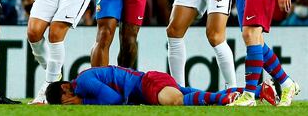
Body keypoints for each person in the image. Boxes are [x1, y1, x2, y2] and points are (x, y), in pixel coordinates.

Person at [45, 65, 277, 106]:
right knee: (203, 96)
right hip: (149, 85)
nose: (69, 104)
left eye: (65, 102)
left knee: (177, 102)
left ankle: (229, 99)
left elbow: (114, 100)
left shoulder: (83, 83)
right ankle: (258, 90)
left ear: (66, 88)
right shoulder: (84, 80)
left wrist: (83, 102)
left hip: (148, 84)